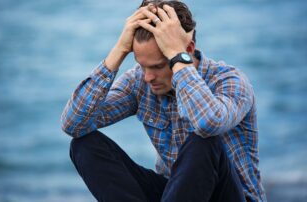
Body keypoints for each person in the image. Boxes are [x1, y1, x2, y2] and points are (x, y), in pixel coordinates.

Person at [61, 1, 267, 201]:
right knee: (84, 145)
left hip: (229, 196)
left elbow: (207, 123)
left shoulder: (229, 81)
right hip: (174, 193)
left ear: (187, 50)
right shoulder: (140, 82)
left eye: (158, 66)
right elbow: (73, 125)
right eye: (142, 66)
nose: (148, 77)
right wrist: (119, 50)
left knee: (203, 140)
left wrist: (178, 57)